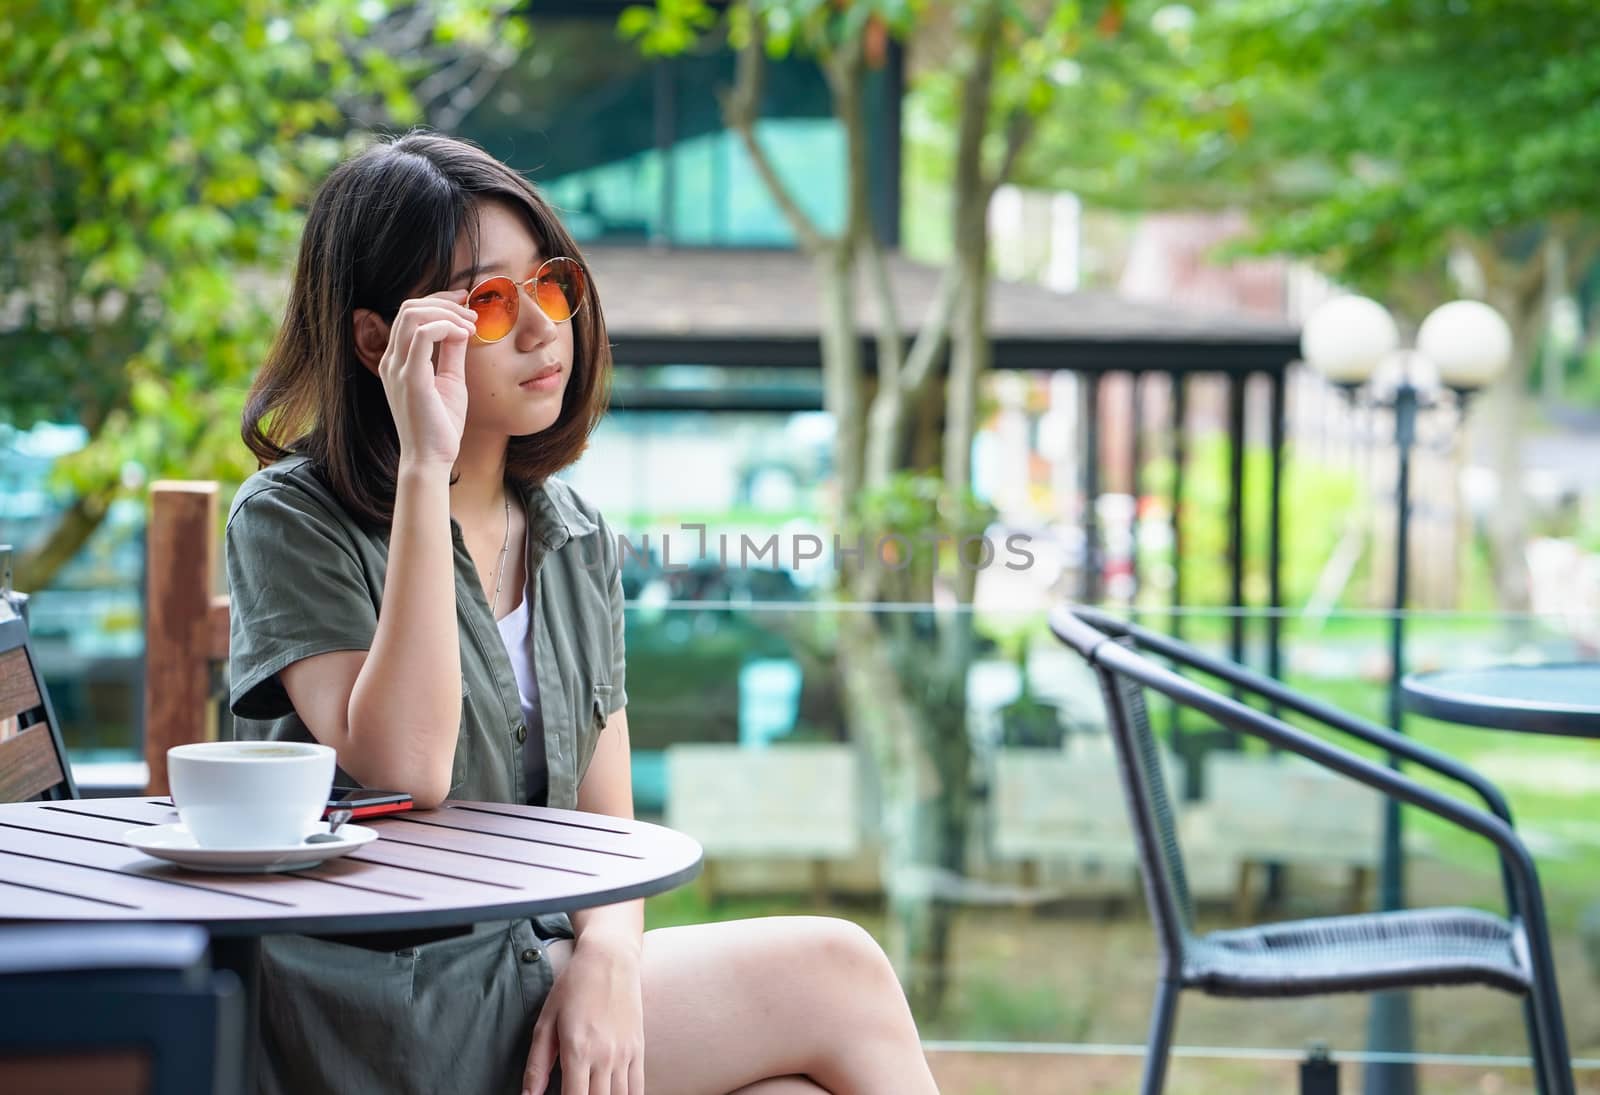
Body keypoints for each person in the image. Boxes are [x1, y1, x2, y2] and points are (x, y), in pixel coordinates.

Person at [226, 130, 941, 1095]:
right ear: (375, 341)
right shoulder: (292, 520)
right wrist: (426, 468)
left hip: (539, 968)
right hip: (386, 1004)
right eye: (485, 300)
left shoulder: (570, 532)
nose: (539, 328)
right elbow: (406, 762)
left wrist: (608, 961)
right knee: (839, 973)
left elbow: (609, 823)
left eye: (550, 286)